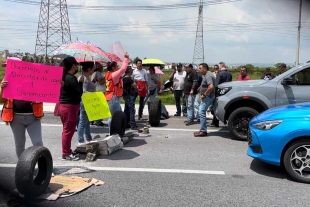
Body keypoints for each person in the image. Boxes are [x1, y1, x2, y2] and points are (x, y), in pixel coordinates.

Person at [0, 57, 44, 158]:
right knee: (19, 144)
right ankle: (22, 167)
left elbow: (45, 90)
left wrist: (55, 86)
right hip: (15, 118)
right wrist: (2, 88)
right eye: (7, 67)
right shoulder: (5, 81)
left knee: (38, 143)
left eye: (10, 66)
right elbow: (1, 100)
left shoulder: (32, 77)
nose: (8, 69)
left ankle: (44, 167)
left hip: (33, 117)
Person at [59, 56, 83, 161]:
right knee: (68, 131)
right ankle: (66, 153)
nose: (77, 66)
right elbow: (79, 92)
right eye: (76, 64)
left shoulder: (64, 77)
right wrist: (81, 82)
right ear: (72, 65)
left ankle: (67, 150)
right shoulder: (70, 78)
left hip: (66, 107)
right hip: (69, 107)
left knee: (68, 130)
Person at [105, 52, 130, 127]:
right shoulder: (114, 75)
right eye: (116, 66)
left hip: (111, 98)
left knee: (116, 115)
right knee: (113, 117)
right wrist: (126, 59)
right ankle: (112, 133)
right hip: (113, 98)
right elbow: (122, 70)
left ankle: (115, 132)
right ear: (113, 67)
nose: (117, 67)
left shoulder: (108, 74)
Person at [194, 63, 216, 137]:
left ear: (205, 69)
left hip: (208, 97)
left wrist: (204, 94)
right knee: (201, 111)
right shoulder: (207, 75)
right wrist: (201, 87)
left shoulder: (208, 75)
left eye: (200, 68)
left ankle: (203, 131)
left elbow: (211, 87)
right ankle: (202, 130)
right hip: (208, 96)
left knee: (201, 111)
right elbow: (206, 84)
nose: (198, 70)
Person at [77, 62, 96, 146]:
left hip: (88, 102)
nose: (93, 70)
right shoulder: (83, 78)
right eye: (92, 68)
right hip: (85, 102)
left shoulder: (86, 78)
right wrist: (95, 95)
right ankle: (80, 141)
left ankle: (88, 138)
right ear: (89, 69)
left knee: (87, 121)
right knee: (82, 121)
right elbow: (84, 91)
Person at [209, 62, 232, 128]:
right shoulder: (229, 74)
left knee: (215, 108)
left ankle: (215, 122)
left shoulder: (220, 74)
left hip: (220, 93)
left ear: (220, 67)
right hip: (227, 93)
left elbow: (216, 85)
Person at [90, 62, 106, 127]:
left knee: (95, 107)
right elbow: (101, 82)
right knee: (99, 107)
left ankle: (92, 120)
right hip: (100, 91)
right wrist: (106, 77)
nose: (102, 68)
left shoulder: (94, 73)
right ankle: (99, 121)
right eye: (101, 67)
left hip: (96, 91)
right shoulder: (98, 73)